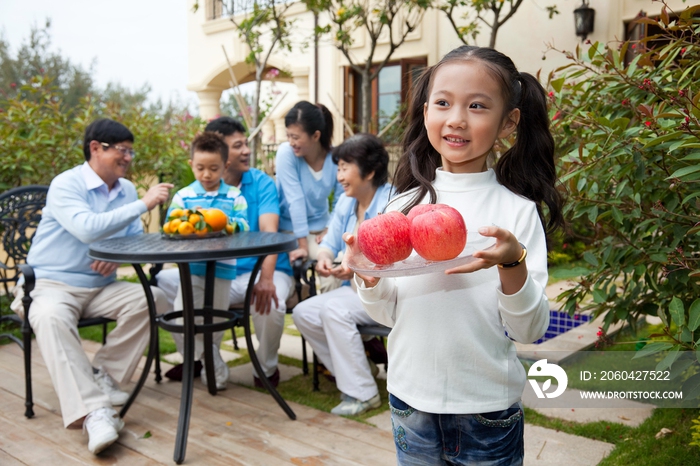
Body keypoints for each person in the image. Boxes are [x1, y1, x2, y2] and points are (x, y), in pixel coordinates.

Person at [342, 46, 564, 465]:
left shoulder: (515, 212)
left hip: (486, 407)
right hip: (410, 401)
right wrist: (369, 278)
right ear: (426, 112)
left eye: (477, 106)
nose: (457, 118)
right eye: (443, 103)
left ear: (508, 122)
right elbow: (389, 315)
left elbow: (529, 329)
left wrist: (512, 263)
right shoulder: (400, 208)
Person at [10, 118, 172, 455]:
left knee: (154, 297)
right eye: (122, 151)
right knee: (50, 316)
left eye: (131, 151)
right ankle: (94, 413)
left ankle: (104, 377)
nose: (128, 157)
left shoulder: (125, 189)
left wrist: (116, 258)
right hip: (52, 284)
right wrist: (144, 203)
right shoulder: (66, 184)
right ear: (96, 148)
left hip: (100, 286)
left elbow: (134, 241)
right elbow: (86, 228)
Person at [157, 116, 295, 390]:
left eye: (246, 144)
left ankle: (265, 367)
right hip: (211, 269)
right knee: (163, 286)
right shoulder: (188, 194)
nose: (246, 151)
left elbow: (269, 233)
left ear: (222, 163)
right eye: (238, 145)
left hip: (258, 269)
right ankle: (200, 356)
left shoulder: (258, 184)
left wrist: (265, 278)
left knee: (272, 300)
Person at [292, 133, 393, 416]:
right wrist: (324, 258)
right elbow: (330, 242)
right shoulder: (347, 203)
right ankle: (359, 368)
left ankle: (363, 394)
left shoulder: (392, 202)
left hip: (385, 294)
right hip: (355, 292)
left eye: (345, 167)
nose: (339, 176)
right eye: (338, 168)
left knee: (335, 309)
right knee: (304, 313)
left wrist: (356, 268)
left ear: (370, 171)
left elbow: (394, 259)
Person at [163, 131, 249, 390]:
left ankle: (209, 354)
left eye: (213, 168)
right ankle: (207, 356)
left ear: (225, 166)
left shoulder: (234, 196)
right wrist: (190, 222)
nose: (206, 175)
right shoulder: (183, 196)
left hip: (222, 269)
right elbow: (171, 225)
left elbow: (244, 226)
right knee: (182, 319)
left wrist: (221, 223)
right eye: (200, 168)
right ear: (192, 165)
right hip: (190, 268)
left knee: (217, 319)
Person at [275, 101, 345, 292]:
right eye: (288, 135)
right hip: (290, 233)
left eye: (295, 137)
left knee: (335, 268)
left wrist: (330, 228)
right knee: (326, 266)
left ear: (315, 136)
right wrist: (302, 245)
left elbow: (341, 199)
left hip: (320, 232)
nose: (291, 142)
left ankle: (328, 315)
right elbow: (294, 199)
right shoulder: (286, 154)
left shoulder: (335, 158)